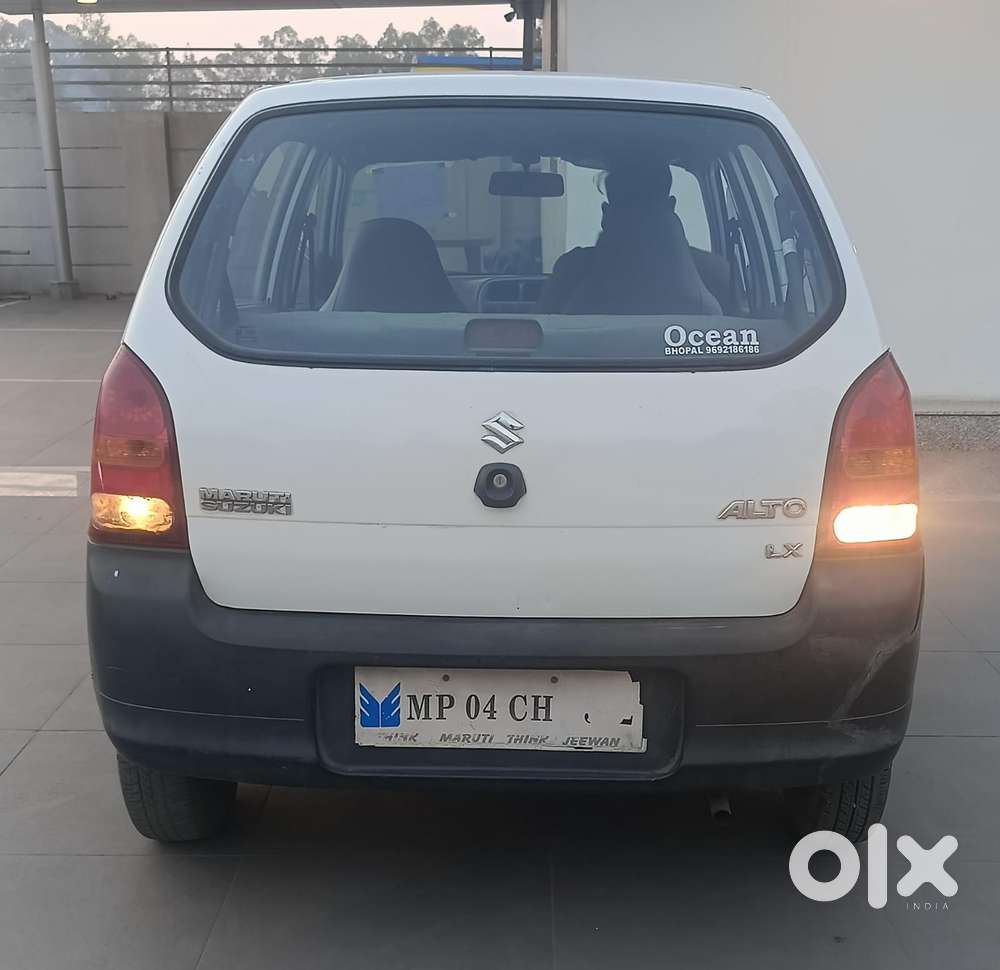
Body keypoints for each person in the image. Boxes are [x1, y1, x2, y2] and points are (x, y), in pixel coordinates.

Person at [540, 163, 721, 315]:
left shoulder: (571, 270)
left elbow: (543, 338)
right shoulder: (715, 274)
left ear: (606, 214)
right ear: (671, 206)